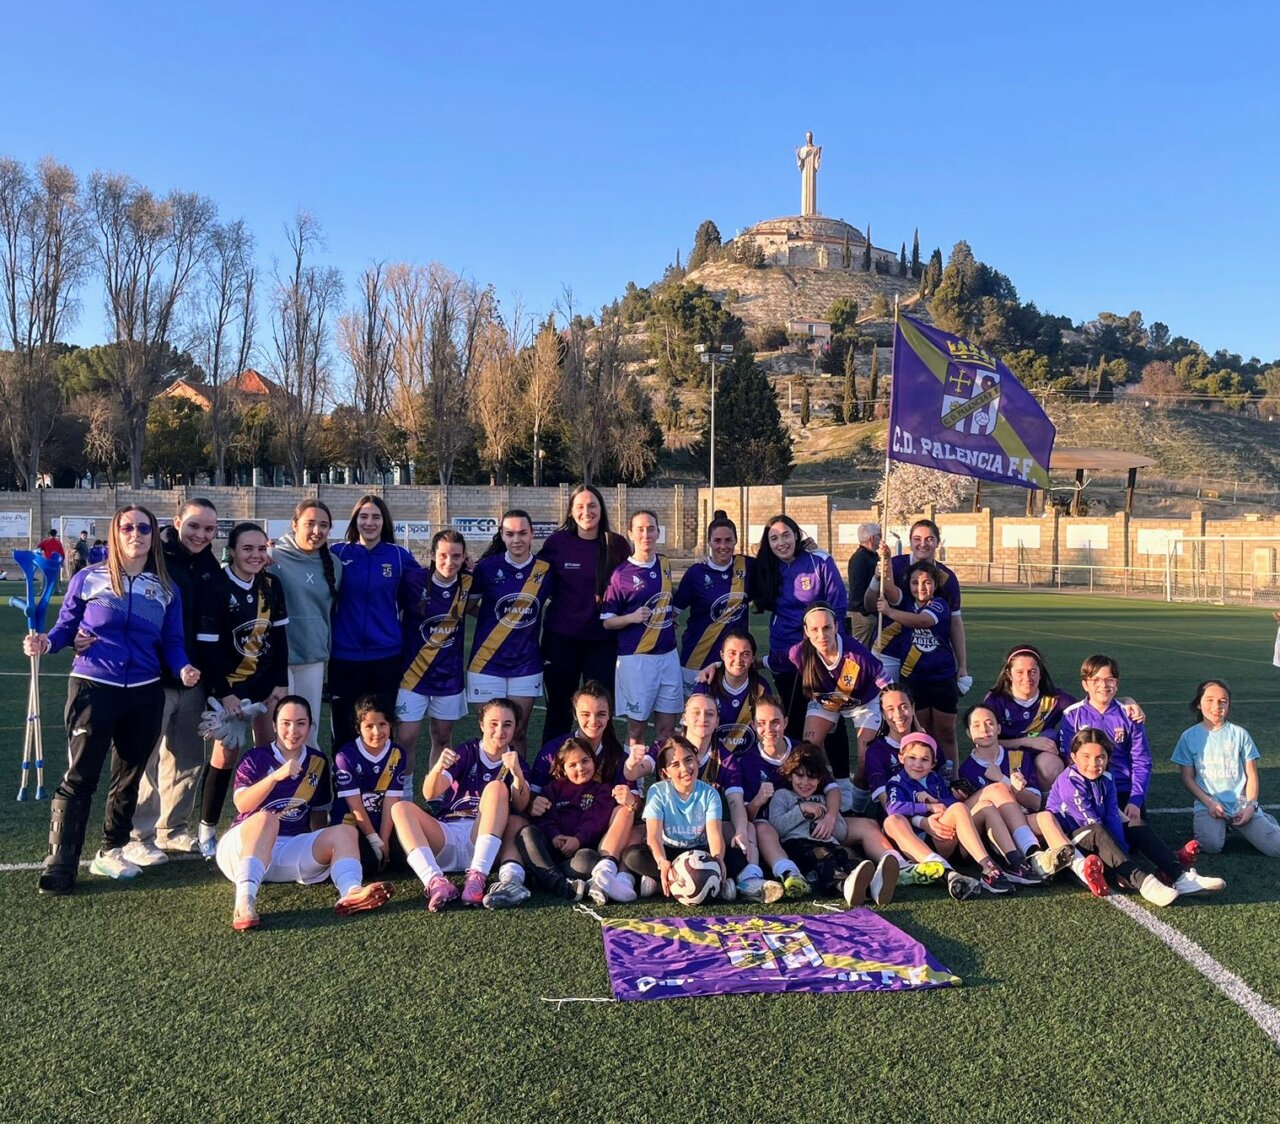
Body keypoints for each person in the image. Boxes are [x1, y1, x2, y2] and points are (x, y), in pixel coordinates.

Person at [25, 505, 200, 895]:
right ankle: (61, 862)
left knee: (130, 777)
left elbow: (172, 642)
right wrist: (47, 642)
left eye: (144, 528)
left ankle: (111, 850)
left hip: (145, 691)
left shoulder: (165, 588)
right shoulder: (89, 578)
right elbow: (66, 628)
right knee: (81, 775)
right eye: (127, 527)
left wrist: (184, 666)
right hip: (93, 686)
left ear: (154, 535)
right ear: (116, 533)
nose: (135, 534)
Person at [214, 695, 393, 930]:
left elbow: (318, 817)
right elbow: (242, 805)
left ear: (310, 726)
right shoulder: (256, 757)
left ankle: (352, 891)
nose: (293, 730)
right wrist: (275, 777)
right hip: (242, 849)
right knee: (266, 819)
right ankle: (245, 901)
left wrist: (329, 849)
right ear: (273, 725)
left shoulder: (317, 761)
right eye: (286, 723)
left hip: (290, 848)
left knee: (345, 832)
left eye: (300, 723)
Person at [1060, 662, 1224, 896]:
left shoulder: (1128, 713)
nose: (1103, 685)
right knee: (1114, 837)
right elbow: (1068, 759)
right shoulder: (1072, 715)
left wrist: (1136, 800)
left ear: (1117, 683)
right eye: (1096, 680)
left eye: (1109, 680)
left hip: (1124, 792)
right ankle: (1148, 873)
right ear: (1085, 683)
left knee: (1134, 828)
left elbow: (1142, 761)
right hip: (1089, 792)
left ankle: (1178, 875)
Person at [125, 498, 220, 865]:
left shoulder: (211, 563)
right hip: (152, 674)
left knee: (187, 756)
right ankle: (139, 834)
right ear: (176, 521)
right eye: (194, 526)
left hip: (194, 676)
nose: (200, 535)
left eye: (209, 529)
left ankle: (172, 828)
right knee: (145, 755)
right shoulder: (155, 557)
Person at [195, 522, 290, 858]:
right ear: (232, 551)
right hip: (229, 689)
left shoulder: (271, 585)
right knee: (226, 755)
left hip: (264, 686)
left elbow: (279, 640)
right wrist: (225, 693)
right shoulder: (215, 587)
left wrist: (280, 684)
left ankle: (261, 822)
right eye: (247, 549)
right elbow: (208, 649)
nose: (255, 555)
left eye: (261, 549)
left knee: (266, 751)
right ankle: (206, 827)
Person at [391, 697, 532, 911]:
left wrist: (518, 775)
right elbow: (430, 793)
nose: (499, 731)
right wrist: (437, 768)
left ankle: (477, 877)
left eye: (507, 724)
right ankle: (435, 881)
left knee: (495, 788)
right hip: (447, 832)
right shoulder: (468, 750)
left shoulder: (516, 761)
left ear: (515, 728)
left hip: (482, 837)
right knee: (400, 808)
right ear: (482, 724)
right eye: (493, 723)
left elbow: (522, 805)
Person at [526, 680, 644, 903]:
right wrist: (532, 803)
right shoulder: (553, 750)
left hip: (590, 843)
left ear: (610, 715)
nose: (593, 721)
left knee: (622, 814)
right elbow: (530, 796)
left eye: (601, 714)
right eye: (586, 713)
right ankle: (554, 877)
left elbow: (636, 808)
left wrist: (632, 801)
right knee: (523, 830)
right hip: (554, 837)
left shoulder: (617, 756)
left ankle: (604, 869)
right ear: (574, 713)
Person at [538, 483, 630, 742]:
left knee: (599, 713)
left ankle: (601, 773)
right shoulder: (557, 543)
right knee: (559, 711)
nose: (586, 511)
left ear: (601, 510)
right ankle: (552, 774)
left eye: (592, 505)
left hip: (602, 643)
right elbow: (530, 577)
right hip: (560, 641)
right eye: (580, 506)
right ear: (570, 512)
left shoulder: (617, 544)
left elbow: (637, 578)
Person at [1047, 729, 1181, 906]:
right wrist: (1121, 864)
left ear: (1108, 758)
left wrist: (1122, 853)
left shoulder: (1107, 778)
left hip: (1098, 833)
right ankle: (1143, 882)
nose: (1093, 763)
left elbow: (1112, 818)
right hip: (1073, 839)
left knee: (1136, 826)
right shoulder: (1070, 782)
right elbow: (1090, 823)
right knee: (1098, 830)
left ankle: (1177, 872)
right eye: (1085, 756)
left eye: (1100, 757)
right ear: (1073, 756)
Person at [330, 494, 421, 749]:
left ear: (385, 522)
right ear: (355, 520)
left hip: (386, 657)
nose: (369, 522)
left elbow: (429, 582)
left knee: (382, 730)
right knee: (345, 730)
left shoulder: (398, 556)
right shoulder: (338, 553)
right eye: (364, 516)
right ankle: (344, 788)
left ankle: (382, 788)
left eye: (376, 517)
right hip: (344, 657)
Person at [749, 513, 847, 744]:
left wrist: (829, 643)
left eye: (786, 535)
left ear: (796, 535)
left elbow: (839, 605)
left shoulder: (819, 560)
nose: (781, 542)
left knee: (830, 715)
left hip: (821, 650)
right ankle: (796, 772)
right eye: (774, 538)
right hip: (785, 650)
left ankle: (841, 779)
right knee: (793, 713)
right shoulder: (764, 566)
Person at [761, 602, 882, 788]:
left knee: (865, 762)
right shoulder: (799, 652)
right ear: (806, 631)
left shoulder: (858, 654)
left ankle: (856, 808)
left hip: (863, 705)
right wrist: (734, 666)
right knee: (809, 751)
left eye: (827, 628)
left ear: (837, 627)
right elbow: (773, 661)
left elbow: (889, 687)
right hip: (827, 702)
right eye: (814, 629)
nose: (821, 635)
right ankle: (826, 791)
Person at [767, 741, 902, 906]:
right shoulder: (783, 795)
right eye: (800, 775)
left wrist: (827, 821)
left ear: (820, 779)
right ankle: (844, 886)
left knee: (852, 857)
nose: (805, 782)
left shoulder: (825, 800)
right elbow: (776, 827)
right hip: (799, 845)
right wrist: (801, 810)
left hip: (831, 842)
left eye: (811, 777)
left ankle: (874, 886)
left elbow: (841, 833)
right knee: (824, 858)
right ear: (790, 775)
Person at [467, 509, 553, 759]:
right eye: (510, 534)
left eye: (523, 533)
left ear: (532, 534)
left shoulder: (545, 570)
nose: (517, 540)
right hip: (486, 663)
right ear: (502, 536)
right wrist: (500, 621)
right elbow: (469, 606)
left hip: (526, 665)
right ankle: (487, 790)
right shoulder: (487, 568)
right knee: (492, 734)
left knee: (518, 733)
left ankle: (517, 791)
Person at [885, 732, 1016, 897]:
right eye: (912, 758)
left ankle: (1014, 862)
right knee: (960, 808)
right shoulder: (897, 782)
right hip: (924, 842)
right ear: (901, 757)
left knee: (985, 807)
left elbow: (948, 802)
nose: (917, 764)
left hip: (947, 838)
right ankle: (987, 866)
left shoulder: (934, 778)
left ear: (933, 764)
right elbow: (893, 808)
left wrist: (936, 800)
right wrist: (926, 808)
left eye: (925, 760)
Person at [601, 510, 683, 746]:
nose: (646, 534)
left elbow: (666, 600)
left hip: (668, 656)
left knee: (667, 730)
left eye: (651, 529)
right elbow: (607, 621)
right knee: (636, 731)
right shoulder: (621, 574)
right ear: (630, 534)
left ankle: (664, 782)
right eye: (640, 529)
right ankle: (632, 783)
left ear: (658, 532)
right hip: (637, 660)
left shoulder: (665, 564)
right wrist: (632, 617)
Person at [622, 735, 739, 900]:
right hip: (668, 853)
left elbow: (714, 835)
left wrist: (717, 860)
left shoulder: (710, 793)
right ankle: (702, 883)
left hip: (700, 853)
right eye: (675, 764)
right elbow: (653, 837)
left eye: (689, 759)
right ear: (665, 772)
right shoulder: (658, 791)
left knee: (737, 857)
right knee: (632, 856)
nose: (685, 769)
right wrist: (662, 862)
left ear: (697, 760)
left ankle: (671, 883)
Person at [864, 518, 970, 697]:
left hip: (926, 658)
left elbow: (955, 622)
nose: (923, 544)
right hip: (889, 650)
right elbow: (869, 604)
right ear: (910, 541)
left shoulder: (947, 578)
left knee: (919, 715)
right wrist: (880, 573)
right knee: (884, 708)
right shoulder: (895, 565)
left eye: (929, 539)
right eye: (917, 539)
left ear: (937, 541)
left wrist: (963, 665)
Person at [1173, 679, 1280, 857]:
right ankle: (1217, 826)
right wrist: (1209, 803)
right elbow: (1187, 778)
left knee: (1277, 848)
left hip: (1241, 805)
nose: (1217, 706)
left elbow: (1252, 775)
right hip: (1209, 805)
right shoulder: (1188, 737)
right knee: (1211, 846)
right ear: (1199, 704)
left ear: (1229, 704)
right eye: (1210, 700)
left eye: (1223, 701)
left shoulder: (1240, 734)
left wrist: (1251, 806)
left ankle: (1262, 820)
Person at [396, 529, 471, 777]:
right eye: (443, 556)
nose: (449, 562)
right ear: (432, 555)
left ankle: (437, 797)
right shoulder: (412, 581)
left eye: (456, 556)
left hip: (448, 676)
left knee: (442, 737)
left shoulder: (469, 583)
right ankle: (403, 794)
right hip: (412, 674)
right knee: (406, 737)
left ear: (464, 557)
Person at [875, 560, 961, 771]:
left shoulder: (939, 604)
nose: (921, 588)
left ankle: (954, 775)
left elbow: (922, 621)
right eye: (915, 582)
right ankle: (926, 775)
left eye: (927, 582)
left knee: (946, 733)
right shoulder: (905, 603)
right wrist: (884, 563)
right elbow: (891, 590)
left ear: (935, 584)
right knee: (921, 732)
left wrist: (889, 613)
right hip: (913, 679)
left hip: (941, 678)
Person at [270, 499, 341, 745]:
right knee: (279, 733)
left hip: (313, 655)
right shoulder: (272, 557)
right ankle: (276, 783)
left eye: (323, 525)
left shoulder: (334, 564)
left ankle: (311, 782)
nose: (316, 531)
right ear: (294, 524)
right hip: (277, 658)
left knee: (307, 731)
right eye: (310, 523)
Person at [515, 737, 613, 901]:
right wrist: (554, 835)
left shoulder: (603, 790)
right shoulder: (553, 788)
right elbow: (543, 818)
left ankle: (542, 877)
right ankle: (559, 883)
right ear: (562, 769)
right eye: (572, 765)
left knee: (590, 859)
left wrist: (578, 839)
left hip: (578, 853)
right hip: (551, 850)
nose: (580, 768)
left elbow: (597, 820)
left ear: (594, 761)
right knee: (526, 833)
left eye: (585, 761)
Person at [672, 510, 752, 691]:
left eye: (728, 540)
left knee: (730, 714)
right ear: (709, 542)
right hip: (697, 655)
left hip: (734, 660)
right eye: (717, 540)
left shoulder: (747, 566)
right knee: (697, 715)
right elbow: (673, 611)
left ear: (735, 541)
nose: (723, 546)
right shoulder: (696, 573)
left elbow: (776, 561)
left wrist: (808, 547)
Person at [330, 695, 406, 876]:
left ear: (391, 724)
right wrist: (374, 840)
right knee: (367, 865)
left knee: (403, 857)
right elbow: (354, 804)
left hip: (382, 822)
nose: (376, 732)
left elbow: (391, 799)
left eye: (382, 724)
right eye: (369, 726)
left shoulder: (397, 753)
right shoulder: (345, 756)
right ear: (359, 728)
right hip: (352, 823)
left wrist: (385, 839)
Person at [845, 523, 881, 648]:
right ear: (872, 538)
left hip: (869, 612)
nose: (881, 539)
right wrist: (866, 611)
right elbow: (857, 588)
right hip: (862, 614)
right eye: (879, 535)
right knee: (859, 651)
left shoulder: (871, 556)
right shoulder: (860, 558)